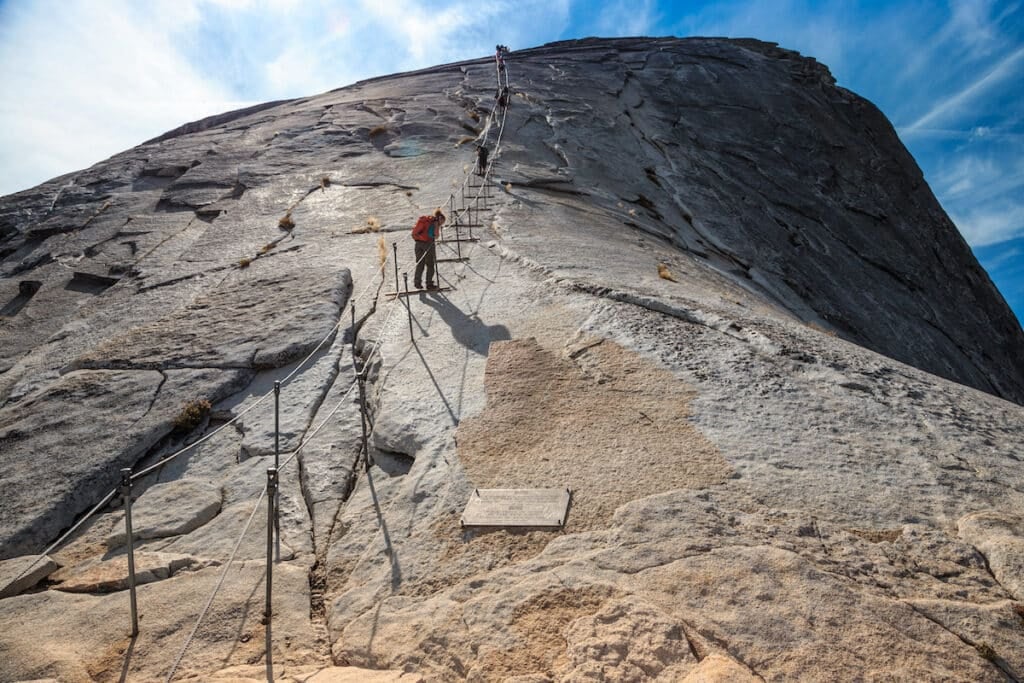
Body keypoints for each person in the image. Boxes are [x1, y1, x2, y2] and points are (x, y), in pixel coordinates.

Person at [412, 209, 446, 290]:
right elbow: (435, 235)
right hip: (428, 244)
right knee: (430, 264)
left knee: (420, 263)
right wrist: (437, 229)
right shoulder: (435, 223)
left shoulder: (427, 220)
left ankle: (417, 283)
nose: (442, 224)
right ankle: (429, 284)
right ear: (440, 219)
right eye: (442, 222)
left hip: (418, 243)